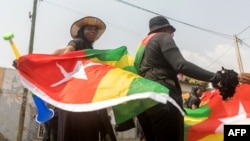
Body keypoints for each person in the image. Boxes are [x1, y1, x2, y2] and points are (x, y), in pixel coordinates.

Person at [134, 15, 250, 141]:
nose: (172, 35)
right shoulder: (162, 37)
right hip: (163, 97)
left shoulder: (143, 49)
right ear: (165, 29)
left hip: (145, 102)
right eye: (171, 31)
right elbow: (181, 65)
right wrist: (216, 77)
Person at [51, 16, 117, 141]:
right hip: (76, 97)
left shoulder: (91, 51)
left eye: (95, 30)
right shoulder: (79, 42)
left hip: (86, 98)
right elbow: (65, 50)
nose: (93, 32)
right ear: (81, 32)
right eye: (89, 29)